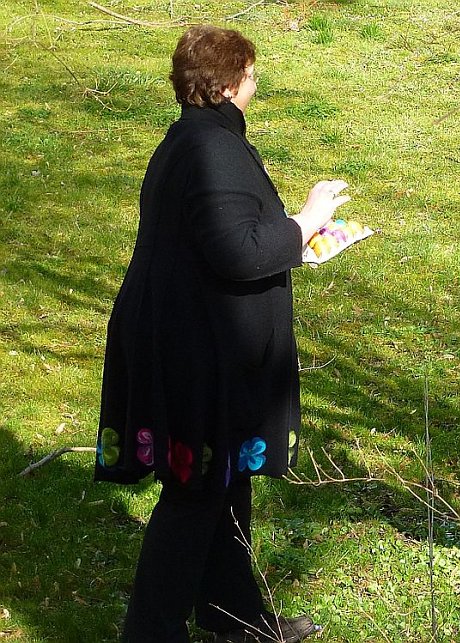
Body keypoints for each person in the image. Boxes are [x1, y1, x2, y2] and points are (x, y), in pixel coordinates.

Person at [94, 25, 349, 643]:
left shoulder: (190, 140)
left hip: (192, 340)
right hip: (195, 354)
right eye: (252, 76)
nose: (255, 85)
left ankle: (235, 618)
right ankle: (150, 632)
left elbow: (214, 241)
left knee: (223, 482)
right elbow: (237, 251)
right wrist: (306, 220)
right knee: (195, 496)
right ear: (231, 84)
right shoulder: (211, 149)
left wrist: (292, 239)